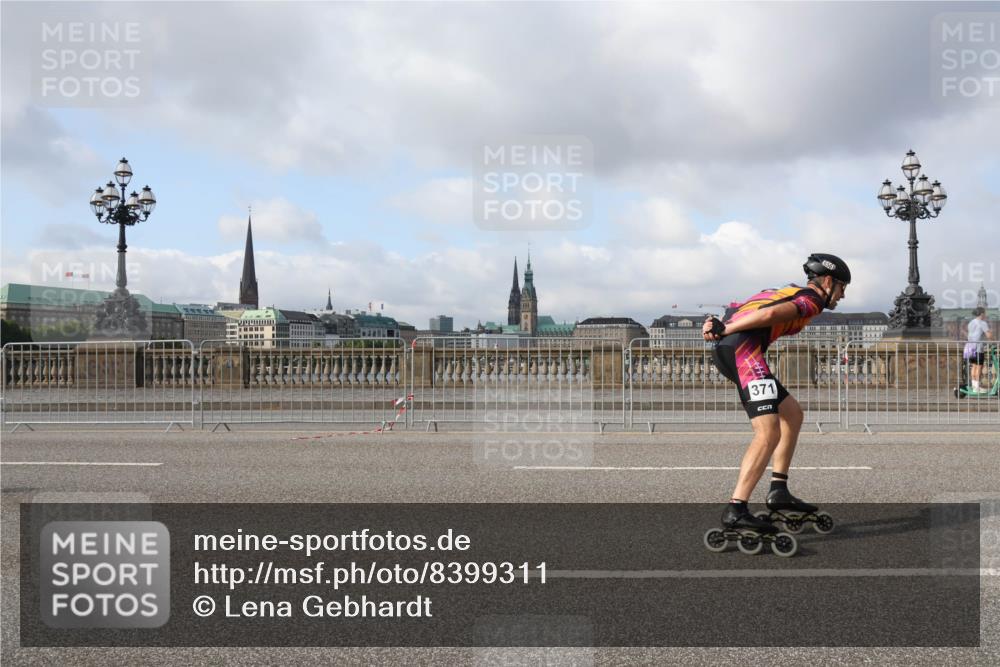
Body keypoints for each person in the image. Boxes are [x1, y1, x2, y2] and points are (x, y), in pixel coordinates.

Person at [701, 253, 850, 534]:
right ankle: (736, 509)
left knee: (792, 414)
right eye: (842, 288)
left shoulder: (782, 290)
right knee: (768, 432)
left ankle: (779, 489)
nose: (842, 295)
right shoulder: (812, 300)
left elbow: (736, 309)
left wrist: (714, 323)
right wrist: (725, 329)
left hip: (732, 351)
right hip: (743, 353)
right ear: (829, 281)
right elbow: (769, 315)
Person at [966, 307, 993, 393]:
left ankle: (974, 386)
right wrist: (994, 339)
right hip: (978, 347)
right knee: (978, 367)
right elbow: (989, 336)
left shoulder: (971, 322)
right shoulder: (983, 323)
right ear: (982, 314)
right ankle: (977, 388)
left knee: (973, 366)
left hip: (969, 346)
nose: (985, 314)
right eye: (985, 313)